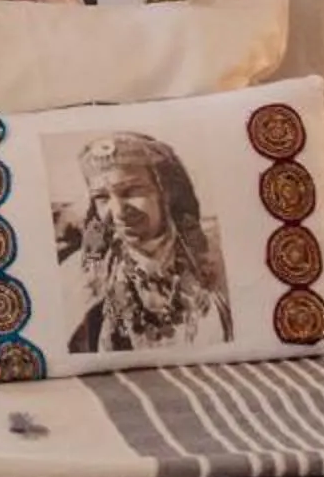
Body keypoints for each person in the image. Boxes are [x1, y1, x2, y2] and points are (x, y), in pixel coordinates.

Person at [58, 132, 225, 353]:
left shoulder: (218, 264)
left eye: (131, 191)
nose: (118, 212)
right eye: (102, 197)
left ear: (167, 193)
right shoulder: (76, 276)